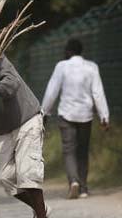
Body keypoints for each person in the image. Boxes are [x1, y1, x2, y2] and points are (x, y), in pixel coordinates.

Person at [0, 54, 54, 218]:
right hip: (2, 129)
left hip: (27, 119)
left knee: (27, 173)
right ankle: (42, 208)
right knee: (6, 177)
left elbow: (12, 82)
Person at [42, 39, 109, 199]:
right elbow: (98, 93)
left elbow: (52, 91)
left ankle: (73, 182)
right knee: (82, 151)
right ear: (81, 51)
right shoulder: (92, 67)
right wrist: (104, 116)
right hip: (86, 115)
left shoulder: (62, 66)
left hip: (67, 114)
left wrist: (44, 112)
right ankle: (84, 189)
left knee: (69, 150)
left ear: (68, 52)